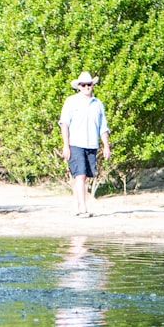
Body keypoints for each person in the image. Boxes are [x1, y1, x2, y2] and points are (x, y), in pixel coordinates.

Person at [59, 71, 111, 217]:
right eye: (84, 85)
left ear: (92, 85)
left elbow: (103, 127)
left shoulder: (98, 104)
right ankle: (83, 208)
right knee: (80, 175)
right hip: (75, 143)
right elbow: (64, 123)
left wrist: (106, 146)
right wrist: (66, 145)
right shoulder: (71, 101)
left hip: (91, 144)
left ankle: (76, 206)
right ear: (79, 87)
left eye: (89, 84)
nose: (87, 87)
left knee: (83, 177)